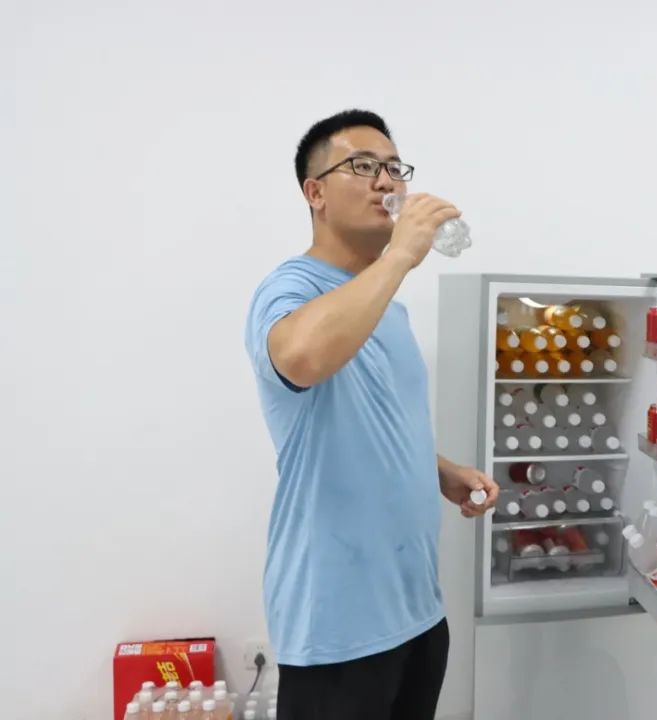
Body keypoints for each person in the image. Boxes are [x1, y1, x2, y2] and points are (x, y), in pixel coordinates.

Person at [244, 109, 499, 720]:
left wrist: (438, 469)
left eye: (393, 168)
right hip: (338, 627)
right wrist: (400, 257)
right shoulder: (289, 288)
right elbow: (302, 359)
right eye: (362, 166)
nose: (386, 182)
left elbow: (369, 418)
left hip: (416, 610)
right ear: (315, 193)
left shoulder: (388, 309)